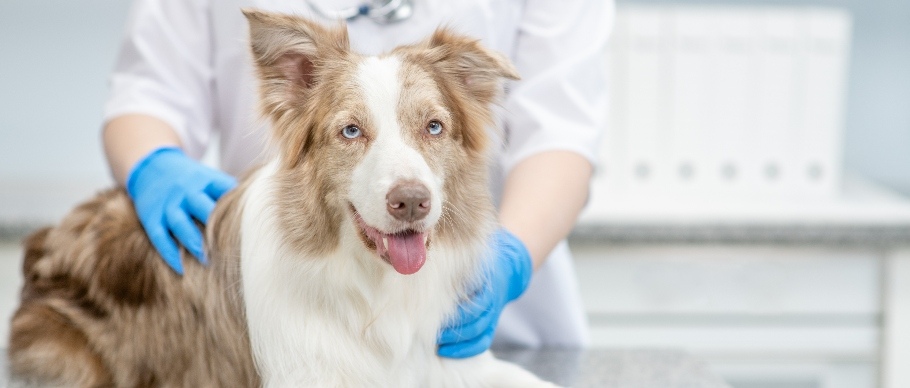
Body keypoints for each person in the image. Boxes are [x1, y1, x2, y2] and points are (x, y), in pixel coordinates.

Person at [102, 0, 612, 357]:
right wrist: (153, 163)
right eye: (351, 131)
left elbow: (560, 133)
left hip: (489, 324)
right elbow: (149, 92)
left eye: (433, 125)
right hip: (295, 298)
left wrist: (511, 260)